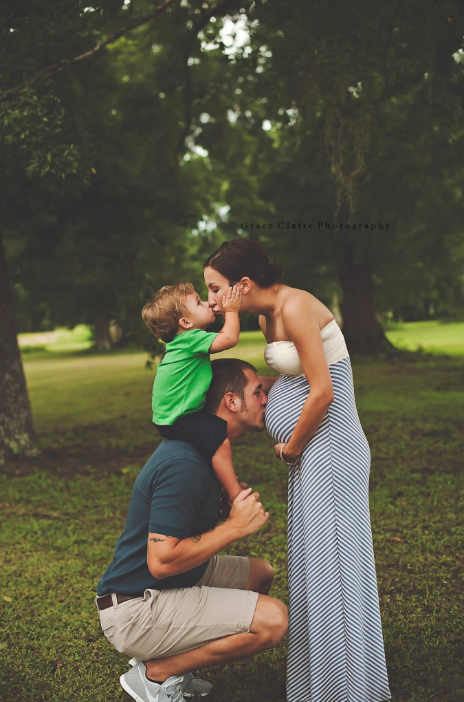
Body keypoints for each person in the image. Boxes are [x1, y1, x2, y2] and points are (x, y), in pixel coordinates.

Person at [204, 238, 391, 702]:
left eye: (216, 289)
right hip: (313, 452)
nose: (211, 299)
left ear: (243, 285)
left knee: (336, 563)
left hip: (329, 449)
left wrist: (291, 448)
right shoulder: (268, 316)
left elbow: (324, 391)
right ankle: (321, 678)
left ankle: (348, 686)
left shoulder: (297, 306)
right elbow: (295, 378)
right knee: (315, 561)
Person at [95, 357, 288, 702]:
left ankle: (173, 663)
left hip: (166, 586)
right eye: (257, 391)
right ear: (231, 402)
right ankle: (158, 673)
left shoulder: (208, 449)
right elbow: (161, 561)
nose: (265, 399)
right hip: (135, 609)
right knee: (273, 619)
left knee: (259, 574)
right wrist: (234, 527)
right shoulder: (184, 464)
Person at [142, 282, 244, 503]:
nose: (207, 303)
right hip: (179, 417)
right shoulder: (190, 339)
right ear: (186, 323)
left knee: (211, 438)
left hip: (171, 416)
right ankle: (234, 494)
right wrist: (232, 311)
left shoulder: (183, 342)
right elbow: (229, 338)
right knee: (220, 440)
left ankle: (221, 482)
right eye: (199, 302)